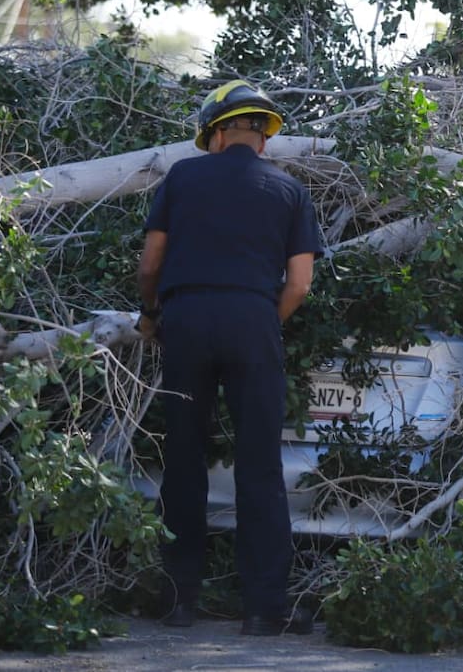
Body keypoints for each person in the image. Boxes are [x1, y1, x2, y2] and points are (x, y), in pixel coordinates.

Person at [136, 80, 324, 635]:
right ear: (262, 136)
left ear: (216, 133)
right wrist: (262, 322)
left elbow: (151, 265)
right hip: (252, 322)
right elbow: (300, 283)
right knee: (260, 464)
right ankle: (265, 609)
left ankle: (178, 602)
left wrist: (150, 316)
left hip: (186, 320)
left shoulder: (183, 177)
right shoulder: (289, 190)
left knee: (184, 458)